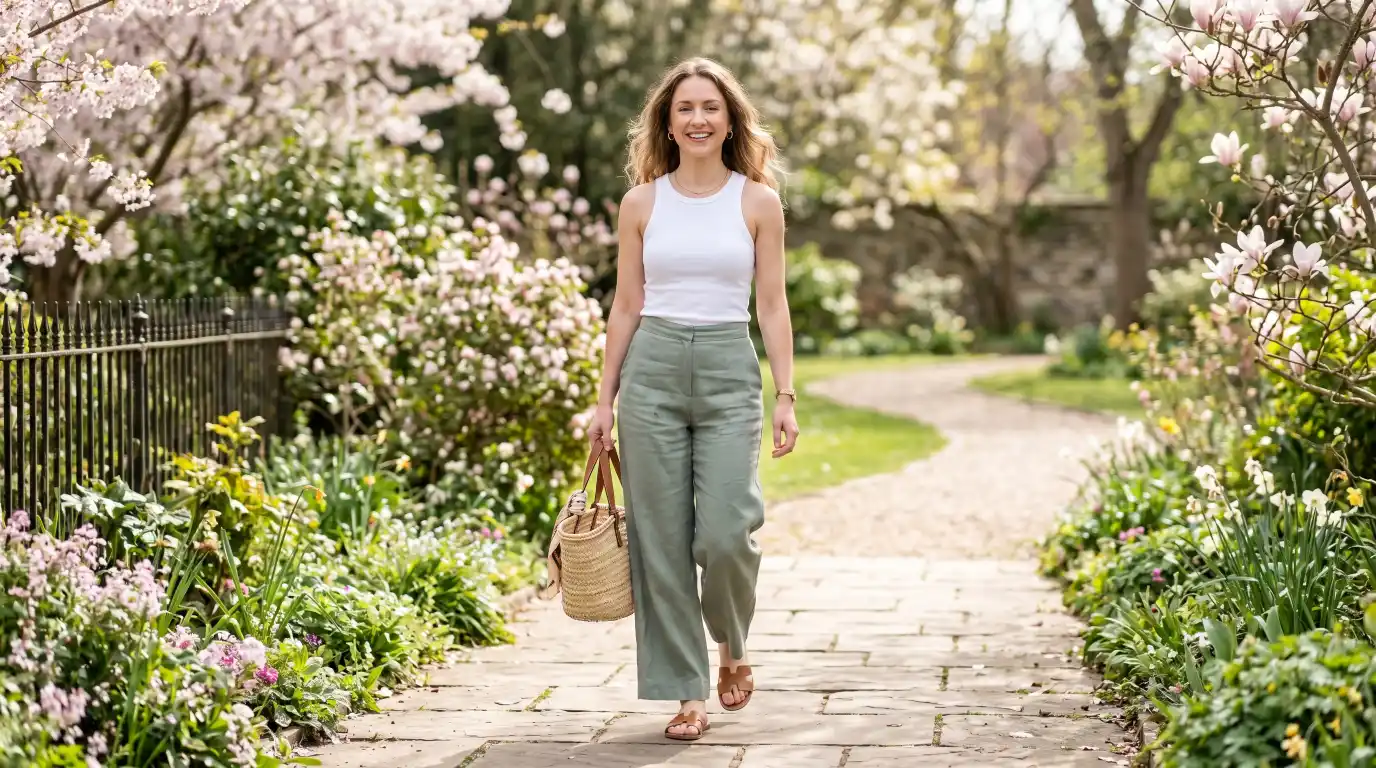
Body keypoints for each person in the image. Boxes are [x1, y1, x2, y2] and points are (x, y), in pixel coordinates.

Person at [586, 56, 799, 742]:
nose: (699, 118)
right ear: (668, 123)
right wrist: (603, 400)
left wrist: (785, 395)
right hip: (650, 374)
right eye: (685, 108)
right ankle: (686, 692)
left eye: (711, 107)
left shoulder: (758, 202)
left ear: (731, 119)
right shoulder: (642, 203)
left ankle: (733, 643)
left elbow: (772, 306)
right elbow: (625, 305)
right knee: (663, 543)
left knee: (725, 533)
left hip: (727, 371)